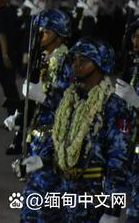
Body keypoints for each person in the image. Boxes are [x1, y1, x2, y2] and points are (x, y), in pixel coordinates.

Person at [53, 38, 130, 223]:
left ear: (101, 64)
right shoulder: (70, 100)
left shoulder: (112, 105)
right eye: (75, 60)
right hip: (63, 191)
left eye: (84, 60)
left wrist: (113, 209)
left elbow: (118, 158)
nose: (76, 65)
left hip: (93, 196)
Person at [7, 9, 72, 222]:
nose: (40, 35)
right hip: (37, 138)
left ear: (60, 34)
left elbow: (67, 102)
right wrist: (20, 117)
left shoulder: (66, 61)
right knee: (31, 208)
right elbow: (35, 103)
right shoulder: (43, 59)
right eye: (40, 31)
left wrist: (42, 96)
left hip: (55, 140)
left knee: (45, 207)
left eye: (46, 31)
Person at [115, 20, 139, 221]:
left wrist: (136, 101)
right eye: (134, 36)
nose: (136, 41)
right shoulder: (132, 67)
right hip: (127, 148)